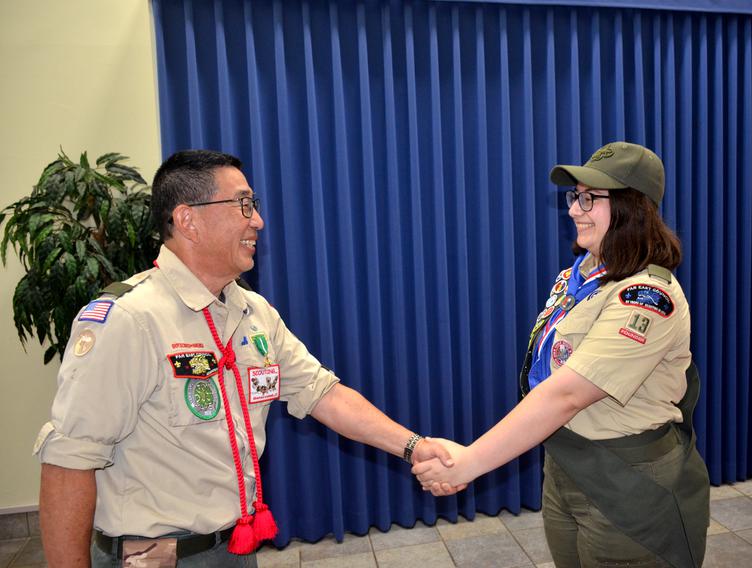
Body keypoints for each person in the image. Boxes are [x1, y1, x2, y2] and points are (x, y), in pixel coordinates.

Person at [34, 150, 454, 568]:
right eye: (243, 204)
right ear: (188, 220)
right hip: (156, 558)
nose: (257, 221)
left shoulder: (253, 312)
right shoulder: (129, 320)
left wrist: (413, 446)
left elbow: (324, 394)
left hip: (234, 546)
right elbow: (68, 464)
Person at [414, 142, 710, 567]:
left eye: (590, 198)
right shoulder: (576, 278)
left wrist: (467, 463)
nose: (574, 210)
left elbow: (566, 394)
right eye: (575, 196)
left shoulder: (646, 296)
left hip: (627, 480)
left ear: (632, 207)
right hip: (565, 465)